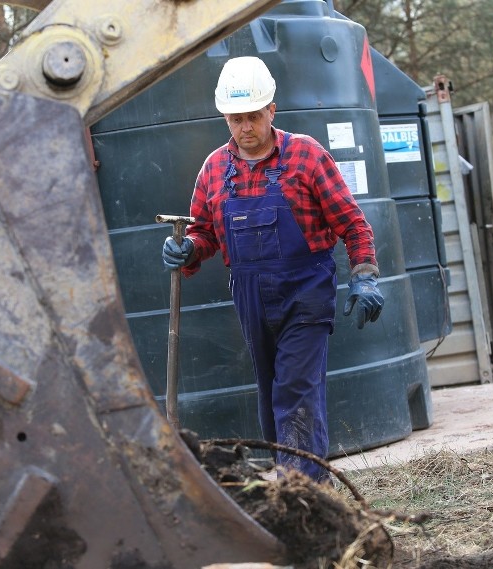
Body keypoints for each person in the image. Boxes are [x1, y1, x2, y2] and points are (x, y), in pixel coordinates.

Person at [161, 56, 384, 482]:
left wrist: (365, 275)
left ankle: (304, 491)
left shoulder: (306, 155)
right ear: (225, 117)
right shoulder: (213, 168)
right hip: (251, 297)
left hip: (306, 290)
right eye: (236, 119)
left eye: (254, 117)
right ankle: (291, 481)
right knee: (270, 394)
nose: (246, 127)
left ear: (272, 110)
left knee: (295, 390)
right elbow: (205, 232)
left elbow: (352, 223)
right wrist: (188, 248)